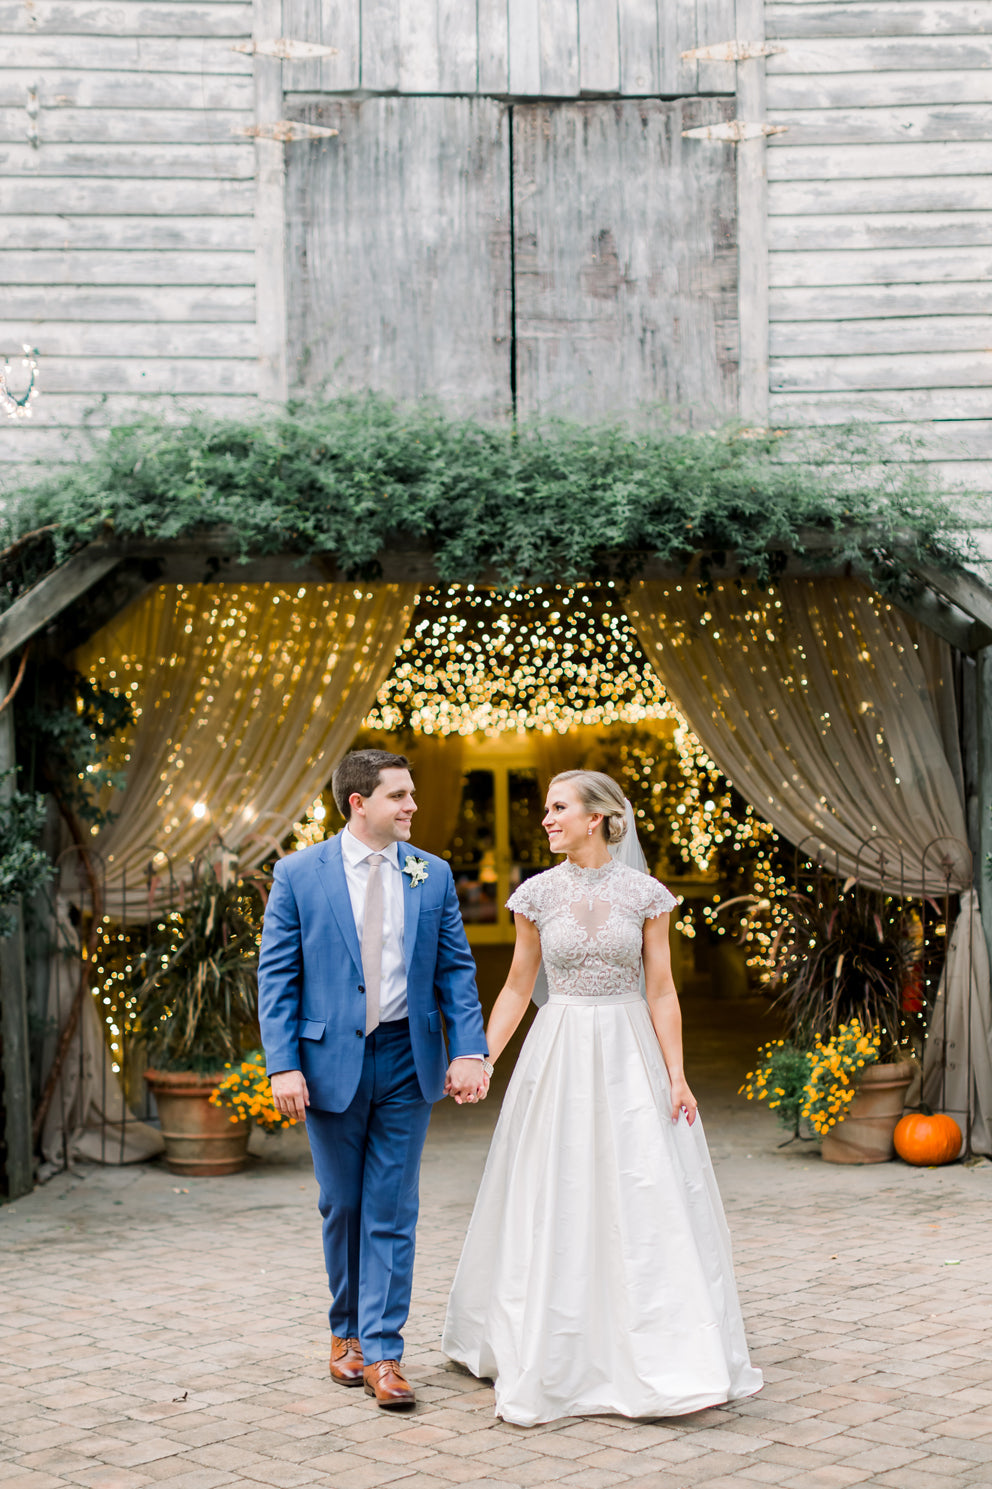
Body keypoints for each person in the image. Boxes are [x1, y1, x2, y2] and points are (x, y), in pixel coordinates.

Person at [442, 769, 762, 1426]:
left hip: (628, 1052)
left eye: (558, 808)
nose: (547, 819)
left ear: (597, 817)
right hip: (558, 1051)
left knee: (638, 1188)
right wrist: (483, 1058)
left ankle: (650, 1343)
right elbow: (514, 988)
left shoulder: (647, 895)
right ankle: (548, 1343)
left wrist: (676, 1074)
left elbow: (663, 989)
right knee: (552, 1188)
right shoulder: (535, 896)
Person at [259, 749, 490, 1411]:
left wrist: (467, 1048)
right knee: (343, 1204)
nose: (412, 804)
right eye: (399, 795)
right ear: (359, 803)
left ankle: (384, 1351)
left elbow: (456, 971)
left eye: (411, 793)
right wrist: (283, 1063)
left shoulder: (433, 874)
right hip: (328, 1061)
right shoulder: (299, 874)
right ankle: (345, 1334)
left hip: (405, 1058)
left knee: (392, 1206)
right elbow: (276, 978)